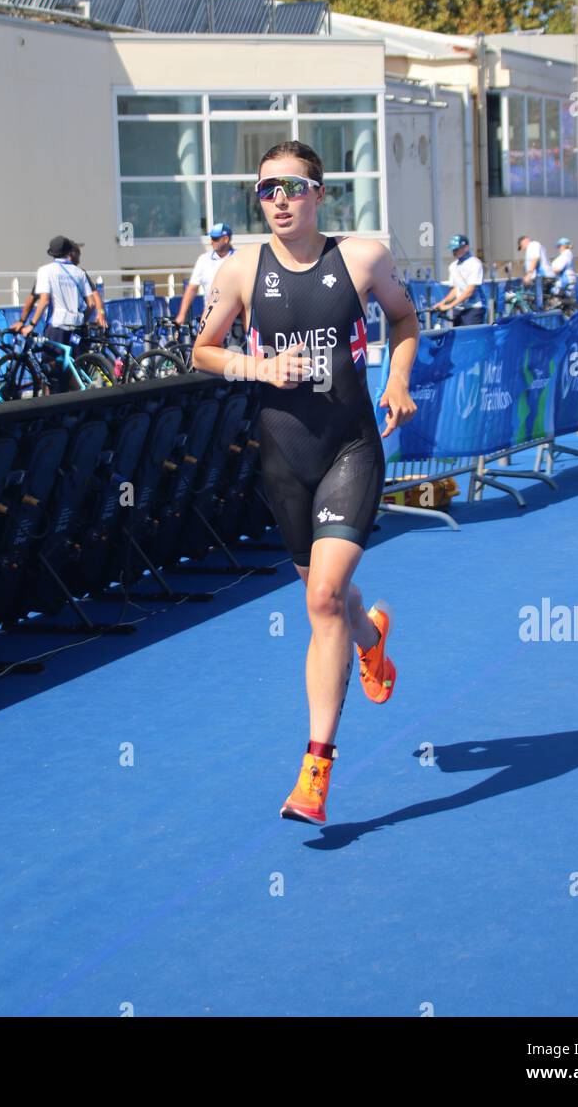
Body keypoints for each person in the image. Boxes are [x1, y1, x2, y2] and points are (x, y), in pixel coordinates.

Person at [191, 141, 419, 825]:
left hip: (350, 447)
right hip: (283, 460)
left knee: (322, 599)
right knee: (329, 600)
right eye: (266, 190)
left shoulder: (363, 257)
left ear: (319, 193)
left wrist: (399, 379)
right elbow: (202, 351)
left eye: (292, 187)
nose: (280, 200)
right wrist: (258, 370)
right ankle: (371, 641)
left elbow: (404, 318)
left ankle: (315, 770)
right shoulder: (238, 270)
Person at [20, 236, 101, 391]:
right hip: (77, 326)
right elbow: (91, 303)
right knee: (74, 368)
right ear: (68, 252)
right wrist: (82, 318)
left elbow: (43, 301)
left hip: (57, 326)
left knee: (50, 369)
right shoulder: (79, 272)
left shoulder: (46, 271)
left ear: (52, 253)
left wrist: (31, 324)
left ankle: (52, 406)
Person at [174, 223, 236, 328]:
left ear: (226, 239)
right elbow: (192, 289)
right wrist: (181, 315)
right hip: (211, 315)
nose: (211, 241)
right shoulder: (204, 260)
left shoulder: (239, 257)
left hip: (235, 316)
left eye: (215, 238)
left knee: (234, 344)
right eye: (211, 238)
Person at [432, 235, 486, 326]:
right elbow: (455, 289)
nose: (455, 251)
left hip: (474, 308)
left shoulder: (475, 263)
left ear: (466, 248)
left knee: (471, 338)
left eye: (457, 249)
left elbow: (470, 290)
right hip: (459, 308)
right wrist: (442, 303)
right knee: (457, 337)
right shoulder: (453, 266)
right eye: (453, 249)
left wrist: (450, 306)